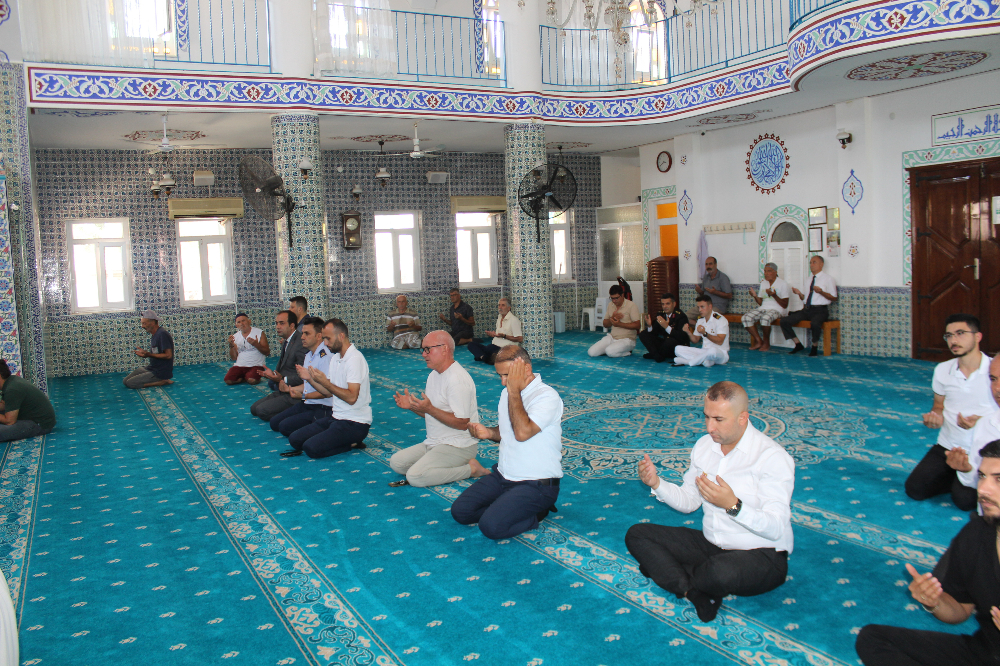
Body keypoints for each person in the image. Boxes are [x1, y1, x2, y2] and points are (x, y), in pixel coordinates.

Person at [625, 381, 794, 623]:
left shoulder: (772, 458)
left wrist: (734, 506)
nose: (709, 427)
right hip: (713, 546)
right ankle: (693, 592)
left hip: (762, 554)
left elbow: (776, 527)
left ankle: (670, 572)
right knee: (638, 535)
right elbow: (689, 501)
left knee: (719, 572)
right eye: (706, 417)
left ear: (742, 418)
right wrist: (657, 484)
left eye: (718, 419)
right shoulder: (705, 446)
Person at [854, 439, 1000, 666]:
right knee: (873, 639)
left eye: (998, 480)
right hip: (986, 651)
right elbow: (960, 610)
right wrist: (934, 601)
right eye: (982, 476)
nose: (984, 489)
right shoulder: (977, 534)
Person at [452, 345, 563, 539]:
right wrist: (489, 433)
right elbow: (507, 431)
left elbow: (522, 433)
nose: (503, 382)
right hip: (503, 476)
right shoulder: (507, 393)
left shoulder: (547, 396)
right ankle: (508, 508)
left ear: (526, 369)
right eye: (500, 376)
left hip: (535, 484)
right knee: (461, 512)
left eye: (507, 376)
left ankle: (537, 513)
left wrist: (514, 391)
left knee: (491, 527)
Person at [905, 314, 997, 511]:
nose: (954, 341)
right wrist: (935, 418)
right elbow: (938, 405)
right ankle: (955, 474)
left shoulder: (994, 371)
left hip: (982, 451)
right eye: (949, 336)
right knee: (915, 489)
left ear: (978, 336)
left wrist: (981, 421)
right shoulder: (942, 370)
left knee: (965, 502)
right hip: (948, 445)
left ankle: (963, 477)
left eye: (960, 334)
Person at [388, 331, 484, 487]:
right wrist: (412, 406)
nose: (423, 354)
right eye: (423, 350)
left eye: (427, 349)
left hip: (459, 445)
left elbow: (462, 423)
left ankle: (471, 469)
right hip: (434, 442)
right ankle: (437, 463)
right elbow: (433, 414)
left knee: (415, 477)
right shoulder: (434, 375)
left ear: (444, 349)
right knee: (397, 463)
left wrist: (430, 409)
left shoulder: (457, 380)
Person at [283, 319, 372, 459]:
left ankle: (353, 443)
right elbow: (328, 392)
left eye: (328, 338)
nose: (325, 342)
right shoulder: (336, 358)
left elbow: (351, 398)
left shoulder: (355, 359)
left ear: (341, 336)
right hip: (335, 417)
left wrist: (325, 382)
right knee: (295, 439)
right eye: (324, 338)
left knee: (311, 448)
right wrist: (312, 379)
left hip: (354, 423)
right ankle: (340, 439)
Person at [268, 317, 332, 438]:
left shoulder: (325, 357)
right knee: (275, 423)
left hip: (322, 406)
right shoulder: (309, 355)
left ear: (319, 336)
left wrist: (303, 395)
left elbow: (328, 391)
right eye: (302, 333)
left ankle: (325, 425)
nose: (302, 337)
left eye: (306, 334)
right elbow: (309, 385)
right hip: (308, 403)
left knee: (285, 427)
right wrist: (290, 389)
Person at [251, 310, 307, 421]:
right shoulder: (288, 341)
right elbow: (284, 369)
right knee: (254, 409)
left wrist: (282, 379)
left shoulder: (300, 343)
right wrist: (272, 375)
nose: (277, 326)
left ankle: (298, 413)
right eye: (276, 323)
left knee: (262, 411)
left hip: (295, 392)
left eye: (281, 323)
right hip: (283, 389)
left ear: (292, 326)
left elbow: (303, 376)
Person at [780, 255, 837, 356]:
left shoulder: (828, 279)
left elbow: (834, 298)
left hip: (820, 310)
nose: (811, 265)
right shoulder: (808, 279)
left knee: (815, 324)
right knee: (784, 321)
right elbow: (804, 298)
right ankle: (797, 344)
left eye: (814, 262)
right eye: (810, 263)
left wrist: (821, 292)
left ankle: (814, 347)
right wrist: (799, 293)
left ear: (821, 264)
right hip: (807, 310)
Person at [962, 355, 1000, 493]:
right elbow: (975, 484)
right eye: (993, 379)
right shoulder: (985, 425)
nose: (997, 388)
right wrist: (965, 469)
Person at [0, 359, 55, 441]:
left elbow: (9, 421)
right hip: (30, 418)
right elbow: (4, 405)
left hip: (39, 424)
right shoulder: (11, 381)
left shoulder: (12, 388)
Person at [743, 262, 790, 352]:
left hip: (778, 309)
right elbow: (761, 303)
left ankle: (766, 343)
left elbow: (785, 305)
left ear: (775, 272)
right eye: (765, 271)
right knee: (746, 318)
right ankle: (759, 341)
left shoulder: (782, 283)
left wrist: (774, 295)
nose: (766, 273)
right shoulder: (764, 283)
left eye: (769, 271)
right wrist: (755, 296)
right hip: (764, 308)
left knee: (765, 319)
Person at [673, 295, 730, 368]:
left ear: (710, 306)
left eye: (702, 307)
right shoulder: (700, 320)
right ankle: (705, 361)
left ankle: (689, 362)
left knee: (712, 351)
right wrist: (688, 332)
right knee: (678, 349)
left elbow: (720, 341)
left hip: (720, 353)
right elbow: (695, 340)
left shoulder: (720, 320)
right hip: (704, 352)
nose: (700, 310)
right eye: (698, 307)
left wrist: (705, 333)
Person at [123, 310, 174, 389]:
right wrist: (145, 355)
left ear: (153, 322)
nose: (142, 326)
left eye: (144, 323)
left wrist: (149, 354)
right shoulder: (155, 334)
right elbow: (156, 354)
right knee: (125, 381)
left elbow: (168, 355)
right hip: (152, 368)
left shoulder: (162, 334)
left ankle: (162, 381)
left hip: (160, 372)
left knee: (130, 383)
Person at [588, 285, 641, 358]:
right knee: (592, 352)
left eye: (616, 298)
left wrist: (619, 324)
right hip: (612, 337)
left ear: (622, 295)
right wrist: (613, 318)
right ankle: (613, 348)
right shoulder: (610, 305)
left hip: (627, 339)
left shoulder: (631, 305)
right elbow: (605, 324)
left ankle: (627, 351)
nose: (614, 301)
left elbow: (638, 325)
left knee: (609, 352)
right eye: (612, 298)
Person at [468, 298, 522, 364]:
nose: (500, 307)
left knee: (489, 349)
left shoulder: (513, 320)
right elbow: (498, 335)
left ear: (509, 308)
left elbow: (520, 339)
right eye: (499, 305)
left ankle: (482, 356)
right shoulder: (499, 317)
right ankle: (486, 358)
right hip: (493, 347)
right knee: (471, 344)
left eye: (503, 305)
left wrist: (504, 336)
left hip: (504, 349)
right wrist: (493, 335)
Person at [638, 292, 688, 363]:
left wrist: (667, 327)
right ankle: (657, 355)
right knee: (643, 334)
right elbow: (654, 333)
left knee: (670, 341)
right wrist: (650, 326)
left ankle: (656, 354)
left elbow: (682, 337)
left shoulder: (681, 317)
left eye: (667, 304)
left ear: (674, 304)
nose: (665, 306)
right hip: (665, 345)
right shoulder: (661, 314)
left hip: (677, 346)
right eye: (663, 304)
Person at [224, 313, 270, 385]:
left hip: (256, 365)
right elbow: (234, 357)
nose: (242, 324)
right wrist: (231, 345)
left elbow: (267, 352)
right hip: (240, 365)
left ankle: (249, 376)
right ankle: (246, 376)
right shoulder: (235, 336)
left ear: (249, 321)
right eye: (239, 322)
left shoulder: (259, 333)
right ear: (236, 325)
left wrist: (256, 344)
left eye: (243, 321)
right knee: (228, 380)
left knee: (252, 381)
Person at [687, 256, 732, 324]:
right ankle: (701, 329)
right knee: (685, 317)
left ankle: (704, 330)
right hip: (704, 305)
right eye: (706, 264)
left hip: (717, 307)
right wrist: (699, 291)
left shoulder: (723, 278)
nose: (708, 266)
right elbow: (703, 293)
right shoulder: (706, 277)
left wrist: (715, 292)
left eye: (710, 264)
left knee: (706, 317)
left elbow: (729, 295)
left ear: (715, 265)